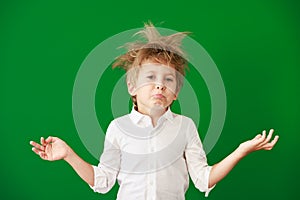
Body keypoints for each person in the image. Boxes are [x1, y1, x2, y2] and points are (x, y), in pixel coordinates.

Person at [30, 22, 279, 200]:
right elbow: (103, 182)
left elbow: (204, 179)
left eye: (169, 80)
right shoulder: (117, 128)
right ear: (132, 86)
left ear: (177, 91)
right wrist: (68, 155)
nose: (160, 84)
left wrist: (240, 151)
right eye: (150, 77)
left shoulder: (186, 127)